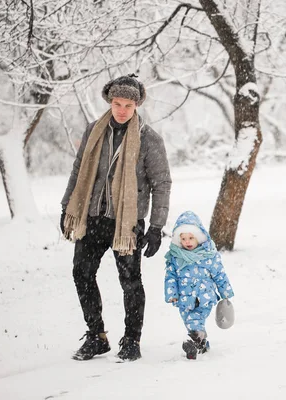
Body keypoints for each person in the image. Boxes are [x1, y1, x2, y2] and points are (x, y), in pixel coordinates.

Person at [60, 74, 172, 362]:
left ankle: (132, 339)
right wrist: (66, 207)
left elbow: (161, 183)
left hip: (127, 223)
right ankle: (97, 336)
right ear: (109, 102)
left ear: (136, 105)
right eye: (117, 103)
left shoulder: (149, 139)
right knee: (81, 273)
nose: (121, 110)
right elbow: (78, 169)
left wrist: (157, 227)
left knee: (130, 281)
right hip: (92, 217)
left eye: (128, 105)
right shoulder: (93, 131)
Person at [164, 211, 234, 360]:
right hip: (184, 300)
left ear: (199, 237)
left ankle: (192, 342)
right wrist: (172, 294)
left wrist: (225, 292)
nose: (187, 242)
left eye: (191, 238)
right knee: (190, 321)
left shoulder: (208, 255)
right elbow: (171, 277)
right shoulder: (175, 257)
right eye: (183, 239)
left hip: (204, 297)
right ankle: (201, 343)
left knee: (195, 320)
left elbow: (219, 274)